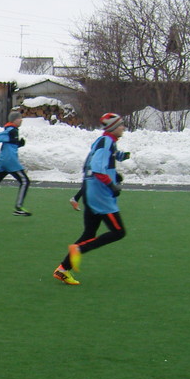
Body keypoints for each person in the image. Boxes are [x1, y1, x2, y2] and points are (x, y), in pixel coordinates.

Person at [54, 113, 128, 286]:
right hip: (100, 196)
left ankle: (63, 270)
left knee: (89, 234)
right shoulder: (106, 142)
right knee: (118, 232)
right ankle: (79, 249)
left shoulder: (104, 141)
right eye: (120, 125)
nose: (123, 128)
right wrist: (111, 185)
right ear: (113, 127)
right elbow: (97, 169)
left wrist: (114, 172)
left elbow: (95, 164)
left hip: (92, 193)